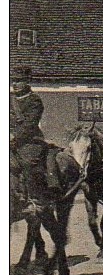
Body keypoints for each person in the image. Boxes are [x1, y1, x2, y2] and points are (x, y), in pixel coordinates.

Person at [10, 66, 54, 201]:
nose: (15, 84)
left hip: (30, 142)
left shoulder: (34, 101)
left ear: (27, 81)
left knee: (29, 164)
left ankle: (34, 199)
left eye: (19, 80)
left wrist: (13, 136)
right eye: (13, 81)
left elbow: (30, 124)